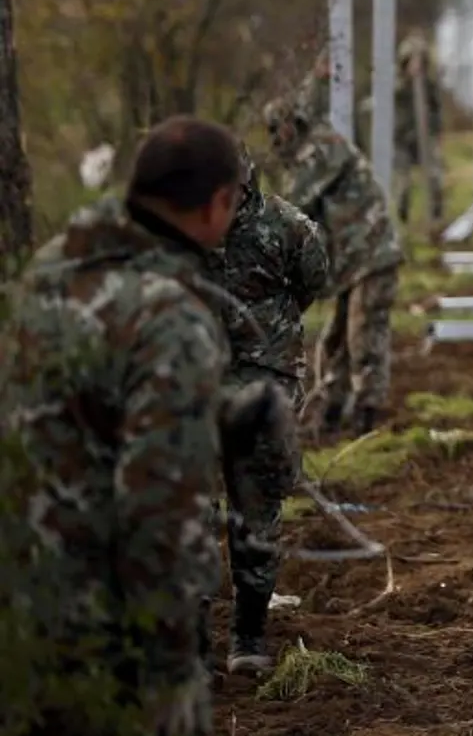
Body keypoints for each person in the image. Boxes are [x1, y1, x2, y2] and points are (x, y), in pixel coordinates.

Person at [0, 116, 248, 735]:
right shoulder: (169, 318)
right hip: (101, 639)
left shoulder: (51, 269)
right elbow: (159, 511)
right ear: (218, 203)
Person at [207, 144, 330, 674]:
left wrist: (268, 340)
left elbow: (313, 283)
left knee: (256, 512)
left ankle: (248, 634)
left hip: (264, 385)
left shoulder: (287, 226)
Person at [263, 96, 404, 438]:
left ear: (288, 124)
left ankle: (366, 414)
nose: (273, 140)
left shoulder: (323, 148)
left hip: (372, 255)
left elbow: (294, 207)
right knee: (336, 340)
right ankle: (331, 410)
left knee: (363, 334)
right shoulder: (309, 154)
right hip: (352, 262)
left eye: (274, 130)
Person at [393, 34, 446, 226]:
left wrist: (436, 133)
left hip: (425, 137)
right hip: (401, 140)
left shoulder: (429, 86)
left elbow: (437, 110)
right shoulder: (397, 86)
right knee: (403, 185)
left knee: (434, 178)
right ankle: (401, 221)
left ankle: (436, 217)